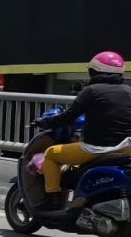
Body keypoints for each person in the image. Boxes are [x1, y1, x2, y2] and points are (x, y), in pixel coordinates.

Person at [38, 51, 131, 210]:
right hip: (126, 148)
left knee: (51, 154)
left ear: (95, 71)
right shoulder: (129, 91)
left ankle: (52, 198)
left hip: (95, 148)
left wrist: (45, 122)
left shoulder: (91, 91)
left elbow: (67, 117)